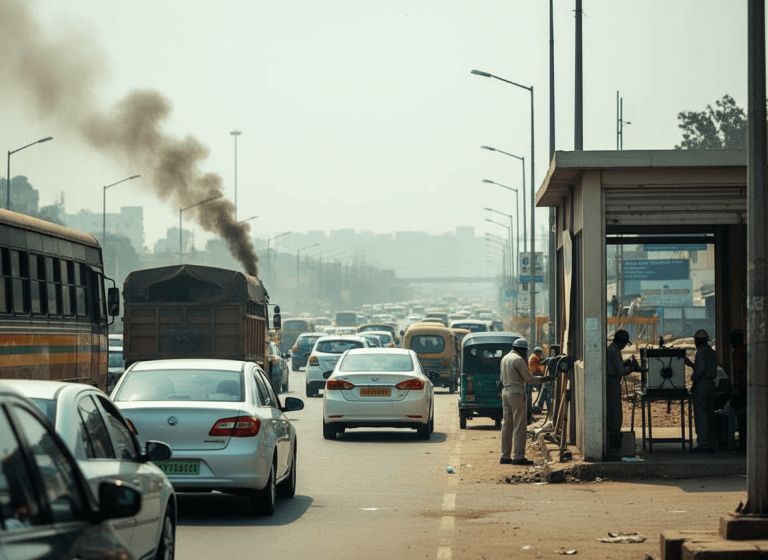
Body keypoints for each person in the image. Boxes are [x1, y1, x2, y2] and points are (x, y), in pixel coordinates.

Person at [499, 338, 548, 465]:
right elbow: (528, 378)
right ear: (521, 350)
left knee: (506, 424)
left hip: (505, 391)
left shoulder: (505, 358)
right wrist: (543, 379)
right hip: (516, 392)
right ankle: (518, 456)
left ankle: (505, 456)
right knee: (519, 425)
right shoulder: (518, 360)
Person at [684, 329, 717, 453]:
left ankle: (703, 444)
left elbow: (701, 370)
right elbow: (706, 368)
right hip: (711, 385)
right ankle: (711, 443)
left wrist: (693, 376)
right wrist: (692, 365)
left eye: (695, 340)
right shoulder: (713, 353)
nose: (694, 342)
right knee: (709, 414)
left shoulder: (700, 352)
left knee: (701, 415)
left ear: (699, 340)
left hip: (702, 385)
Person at [606, 330, 633, 451]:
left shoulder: (611, 349)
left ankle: (613, 433)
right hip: (612, 383)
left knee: (613, 410)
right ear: (621, 342)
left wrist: (625, 363)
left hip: (611, 382)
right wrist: (633, 368)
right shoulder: (614, 351)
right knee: (615, 411)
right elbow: (621, 371)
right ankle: (615, 437)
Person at [729, 329, 747, 450]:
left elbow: (738, 371)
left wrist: (736, 389)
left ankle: (742, 442)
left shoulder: (737, 353)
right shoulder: (747, 350)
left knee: (741, 417)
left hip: (741, 387)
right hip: (748, 385)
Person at [529, 347, 551, 413]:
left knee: (543, 391)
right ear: (538, 352)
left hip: (536, 374)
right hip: (536, 375)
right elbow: (542, 362)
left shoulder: (534, 356)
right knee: (544, 390)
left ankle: (540, 406)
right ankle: (542, 407)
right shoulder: (534, 357)